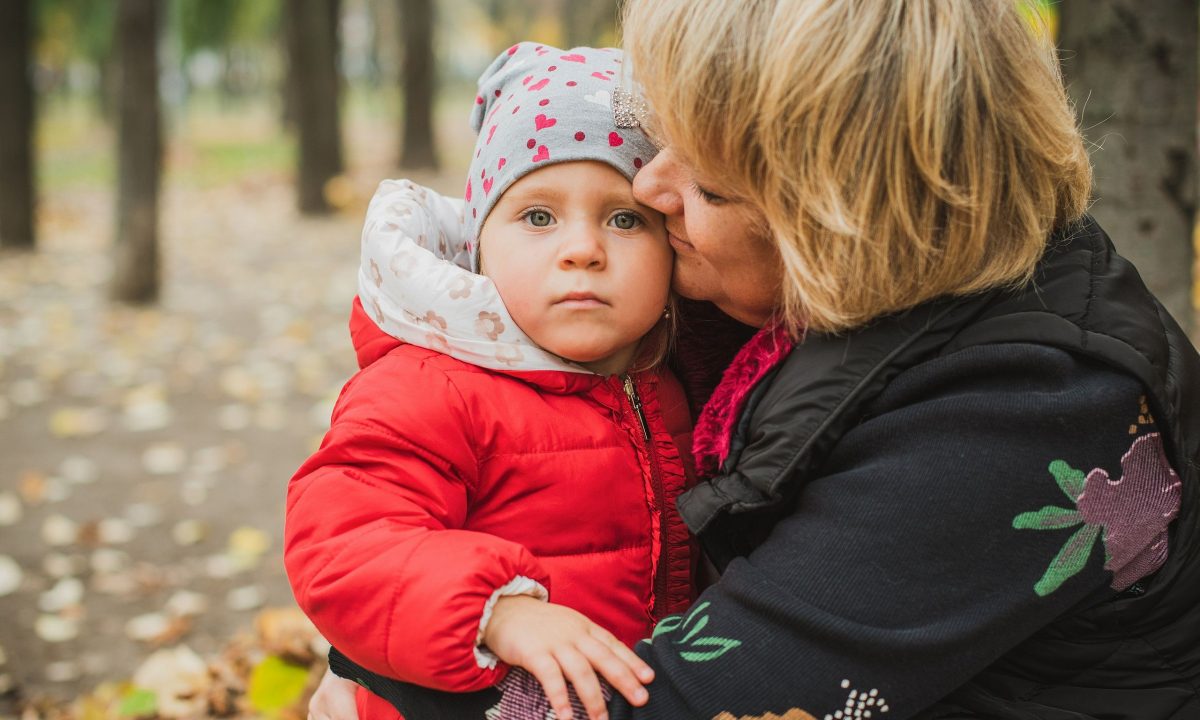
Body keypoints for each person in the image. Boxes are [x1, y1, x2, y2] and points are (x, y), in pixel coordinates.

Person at [312, 1, 1200, 718]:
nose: (650, 190)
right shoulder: (793, 295)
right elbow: (363, 515)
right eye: (660, 138)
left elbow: (697, 702)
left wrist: (374, 683)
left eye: (705, 180)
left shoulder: (1022, 409)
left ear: (828, 214)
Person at [285, 43, 697, 720]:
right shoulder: (432, 384)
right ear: (479, 242)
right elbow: (341, 541)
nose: (583, 249)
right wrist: (498, 612)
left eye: (625, 219)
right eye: (538, 216)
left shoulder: (664, 379)